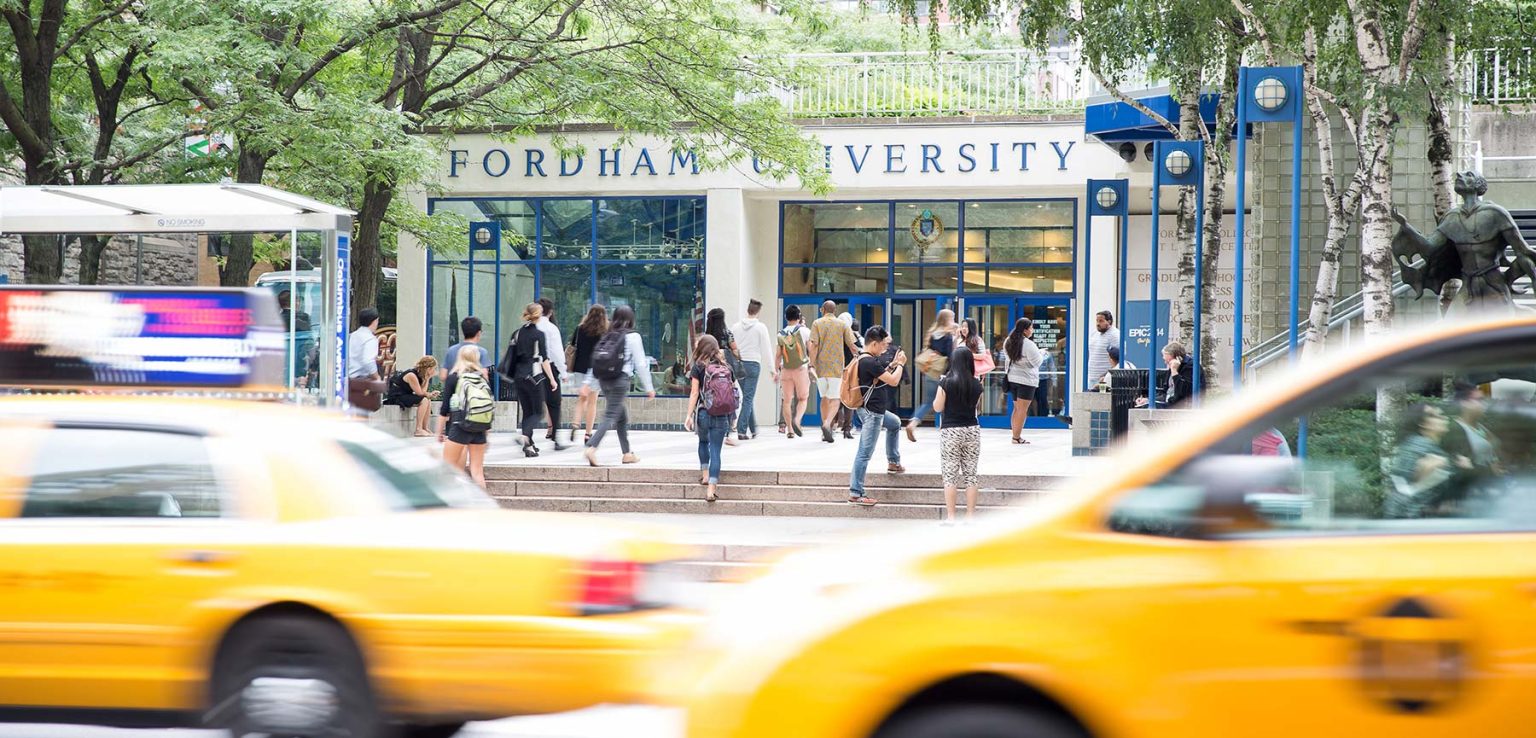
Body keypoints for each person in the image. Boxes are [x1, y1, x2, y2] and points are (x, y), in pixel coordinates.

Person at [584, 305, 656, 467]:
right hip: (620, 380)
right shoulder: (633, 336)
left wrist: (589, 383)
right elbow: (641, 364)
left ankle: (627, 454)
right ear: (631, 319)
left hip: (604, 380)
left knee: (621, 417)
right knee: (610, 415)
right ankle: (591, 447)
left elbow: (595, 360)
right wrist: (649, 387)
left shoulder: (608, 335)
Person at [849, 325, 908, 506]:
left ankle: (893, 461)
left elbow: (879, 377)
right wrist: (901, 364)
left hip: (874, 410)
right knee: (864, 453)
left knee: (895, 423)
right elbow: (893, 380)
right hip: (872, 413)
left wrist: (892, 364)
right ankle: (856, 492)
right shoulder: (869, 361)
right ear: (874, 344)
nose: (885, 349)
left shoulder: (865, 358)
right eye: (883, 345)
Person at [1386, 403, 1471, 518]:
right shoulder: (1418, 446)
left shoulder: (1425, 446)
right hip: (1412, 521)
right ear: (1422, 423)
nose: (1444, 418)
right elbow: (1406, 487)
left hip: (1412, 518)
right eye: (1437, 416)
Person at [934, 346, 983, 525]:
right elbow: (976, 407)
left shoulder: (946, 383)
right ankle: (970, 517)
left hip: (951, 431)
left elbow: (938, 408)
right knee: (971, 474)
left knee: (950, 474)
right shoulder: (977, 384)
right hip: (971, 430)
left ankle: (951, 517)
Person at [684, 334, 735, 502]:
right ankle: (711, 490)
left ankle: (705, 475)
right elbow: (733, 393)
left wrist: (689, 415)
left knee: (703, 442)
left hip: (704, 413)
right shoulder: (726, 367)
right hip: (721, 415)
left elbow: (694, 393)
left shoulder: (698, 367)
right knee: (716, 451)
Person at [506, 302, 554, 458]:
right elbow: (544, 359)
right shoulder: (539, 334)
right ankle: (525, 436)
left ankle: (529, 445)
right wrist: (552, 380)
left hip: (518, 376)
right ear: (539, 316)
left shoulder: (517, 333)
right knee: (539, 412)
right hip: (533, 376)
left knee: (527, 411)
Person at [439, 345, 490, 487]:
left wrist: (439, 432)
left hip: (460, 425)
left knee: (447, 468)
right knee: (477, 471)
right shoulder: (482, 379)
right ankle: (484, 506)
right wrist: (487, 433)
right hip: (479, 426)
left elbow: (444, 409)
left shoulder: (454, 377)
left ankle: (451, 504)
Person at [809, 300, 860, 444]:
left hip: (821, 367)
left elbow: (813, 345)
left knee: (824, 398)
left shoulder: (817, 323)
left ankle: (825, 426)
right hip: (837, 367)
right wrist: (858, 357)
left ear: (823, 309)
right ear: (834, 310)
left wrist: (811, 364)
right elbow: (852, 345)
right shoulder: (842, 324)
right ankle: (828, 424)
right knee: (836, 398)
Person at [906, 308, 959, 441]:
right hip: (943, 373)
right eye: (952, 318)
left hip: (930, 372)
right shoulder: (947, 337)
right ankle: (947, 429)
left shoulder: (932, 333)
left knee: (927, 402)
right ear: (947, 320)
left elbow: (927, 350)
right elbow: (950, 356)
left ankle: (913, 423)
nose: (953, 321)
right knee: (948, 401)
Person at [731, 299, 775, 440]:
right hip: (753, 364)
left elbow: (730, 347)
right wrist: (772, 369)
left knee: (747, 397)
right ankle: (741, 430)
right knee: (748, 398)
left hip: (738, 364)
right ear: (758, 312)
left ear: (747, 310)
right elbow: (767, 349)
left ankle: (753, 428)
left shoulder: (736, 327)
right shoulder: (761, 327)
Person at [568, 304, 608, 445]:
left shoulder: (580, 329)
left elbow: (573, 345)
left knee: (581, 399)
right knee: (592, 402)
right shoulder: (604, 331)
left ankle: (575, 424)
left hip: (580, 368)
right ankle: (588, 434)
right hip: (595, 369)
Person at [704, 307, 742, 447]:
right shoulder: (727, 333)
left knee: (708, 398)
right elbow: (735, 350)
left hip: (708, 374)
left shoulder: (706, 336)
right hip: (725, 373)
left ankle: (707, 431)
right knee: (729, 398)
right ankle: (727, 433)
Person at [535, 298, 569, 449]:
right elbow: (557, 353)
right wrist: (563, 371)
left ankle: (526, 436)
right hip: (549, 368)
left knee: (532, 403)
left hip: (529, 369)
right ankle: (555, 435)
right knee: (554, 402)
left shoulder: (527, 327)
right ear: (550, 312)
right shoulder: (551, 328)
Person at [1003, 318, 1042, 444]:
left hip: (1012, 379)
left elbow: (1009, 358)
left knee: (1016, 408)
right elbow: (1037, 362)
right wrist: (1041, 354)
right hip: (1026, 380)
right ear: (1025, 330)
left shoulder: (1008, 341)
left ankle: (1015, 435)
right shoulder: (1029, 344)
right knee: (1022, 410)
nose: (1032, 330)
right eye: (1031, 328)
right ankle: (1016, 437)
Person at [777, 305, 813, 438]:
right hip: (801, 369)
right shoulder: (804, 331)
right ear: (799, 317)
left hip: (785, 369)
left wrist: (776, 371)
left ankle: (790, 430)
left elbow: (778, 355)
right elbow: (811, 349)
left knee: (787, 400)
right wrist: (813, 364)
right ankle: (797, 420)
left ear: (786, 317)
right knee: (803, 398)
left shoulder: (781, 333)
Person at [383, 355, 440, 436]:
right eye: (434, 368)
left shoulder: (421, 375)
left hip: (405, 394)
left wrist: (427, 378)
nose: (435, 371)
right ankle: (418, 429)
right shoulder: (411, 375)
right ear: (428, 369)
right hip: (397, 396)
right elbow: (419, 393)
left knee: (427, 401)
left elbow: (423, 392)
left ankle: (425, 428)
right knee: (424, 400)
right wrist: (429, 394)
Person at [833, 313, 862, 440]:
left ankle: (832, 426)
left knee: (834, 399)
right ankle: (847, 429)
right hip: (849, 370)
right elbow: (857, 349)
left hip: (835, 370)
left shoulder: (834, 334)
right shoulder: (850, 334)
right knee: (849, 400)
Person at [1086, 310, 1121, 389]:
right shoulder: (1094, 334)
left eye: (1101, 321)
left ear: (1109, 321)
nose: (1098, 324)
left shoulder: (1115, 335)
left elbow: (1119, 358)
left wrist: (1107, 375)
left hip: (1105, 380)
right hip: (1092, 377)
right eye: (1097, 321)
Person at [347, 307, 382, 380]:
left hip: (348, 378)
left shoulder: (352, 335)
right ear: (374, 321)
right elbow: (368, 361)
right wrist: (377, 377)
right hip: (360, 380)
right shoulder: (370, 339)